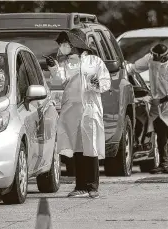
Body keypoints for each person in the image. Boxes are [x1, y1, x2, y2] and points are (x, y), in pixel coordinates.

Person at [45, 29, 111, 198]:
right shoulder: (66, 63)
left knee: (91, 147)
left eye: (66, 43)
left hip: (90, 110)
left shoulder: (94, 61)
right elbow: (59, 81)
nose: (63, 47)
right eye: (62, 44)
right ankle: (80, 186)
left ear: (76, 44)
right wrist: (53, 68)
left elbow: (105, 83)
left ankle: (93, 186)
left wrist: (95, 84)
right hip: (72, 111)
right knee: (77, 149)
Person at [128, 44, 168, 174]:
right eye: (152, 55)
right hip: (156, 105)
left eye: (155, 56)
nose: (152, 57)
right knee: (160, 135)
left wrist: (161, 100)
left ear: (163, 57)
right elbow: (134, 68)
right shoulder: (150, 59)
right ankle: (163, 164)